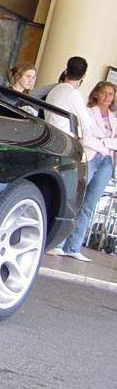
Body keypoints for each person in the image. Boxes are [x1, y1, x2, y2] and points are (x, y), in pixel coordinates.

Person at [45, 60, 114, 262]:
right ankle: (57, 243)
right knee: (73, 198)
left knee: (88, 204)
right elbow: (86, 130)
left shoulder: (113, 117)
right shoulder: (76, 98)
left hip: (105, 159)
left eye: (110, 94)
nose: (107, 96)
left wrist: (103, 142)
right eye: (104, 92)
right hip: (85, 154)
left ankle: (73, 246)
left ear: (66, 70)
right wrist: (106, 142)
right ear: (84, 77)